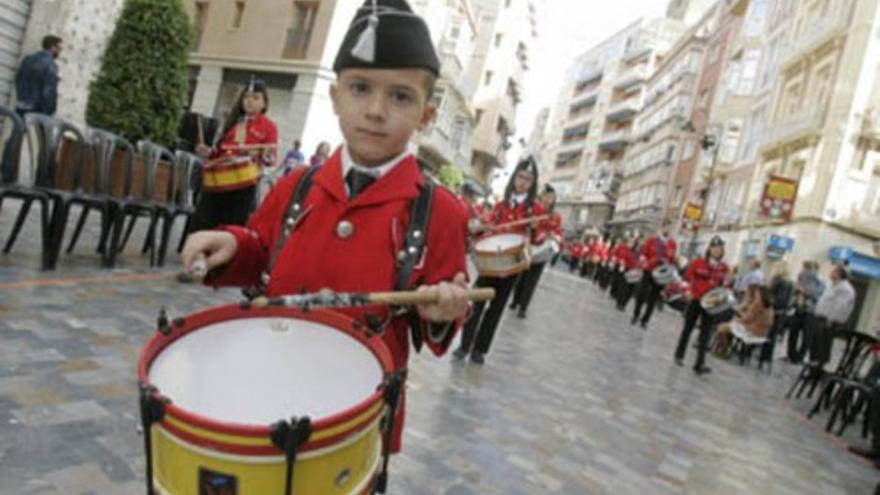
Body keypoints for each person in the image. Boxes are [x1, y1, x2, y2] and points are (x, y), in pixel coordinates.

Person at [180, 0, 470, 455]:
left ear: (426, 116)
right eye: (359, 88)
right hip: (270, 386)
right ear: (335, 97)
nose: (375, 110)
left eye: (400, 96)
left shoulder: (443, 212)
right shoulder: (297, 185)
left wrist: (442, 313)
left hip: (357, 417)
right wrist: (233, 244)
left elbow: (439, 311)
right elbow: (261, 251)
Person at [454, 157, 545, 364]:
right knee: (476, 303)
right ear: (514, 178)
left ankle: (480, 350)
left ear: (532, 184)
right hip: (490, 264)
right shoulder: (501, 206)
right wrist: (481, 228)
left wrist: (538, 234)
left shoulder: (534, 210)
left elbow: (538, 238)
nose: (522, 182)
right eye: (520, 176)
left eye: (528, 179)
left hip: (512, 265)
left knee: (496, 308)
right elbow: (485, 228)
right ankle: (464, 345)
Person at [191, 78, 279, 232]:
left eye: (255, 97)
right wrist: (208, 152)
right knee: (204, 221)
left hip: (244, 185)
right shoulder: (234, 122)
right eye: (246, 96)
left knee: (230, 227)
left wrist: (261, 153)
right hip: (219, 181)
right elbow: (220, 151)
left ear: (264, 103)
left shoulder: (269, 127)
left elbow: (271, 159)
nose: (249, 101)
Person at [674, 236, 729, 374]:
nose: (717, 251)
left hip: (711, 304)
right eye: (714, 248)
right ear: (709, 249)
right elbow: (686, 279)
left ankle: (699, 363)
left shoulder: (723, 268)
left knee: (705, 334)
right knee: (688, 329)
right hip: (696, 300)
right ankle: (679, 355)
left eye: (720, 248)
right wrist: (687, 291)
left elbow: (724, 286)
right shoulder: (698, 263)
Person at [509, 183, 562, 319]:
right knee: (522, 277)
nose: (548, 200)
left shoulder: (556, 216)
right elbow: (526, 225)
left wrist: (554, 236)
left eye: (551, 197)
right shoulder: (534, 209)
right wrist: (532, 227)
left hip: (543, 250)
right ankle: (515, 301)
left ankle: (523, 308)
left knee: (533, 280)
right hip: (529, 247)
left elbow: (558, 232)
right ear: (542, 196)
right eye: (546, 196)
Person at [631, 219, 677, 329]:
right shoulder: (652, 240)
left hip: (661, 274)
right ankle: (636, 314)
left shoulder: (672, 244)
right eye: (667, 227)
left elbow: (671, 259)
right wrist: (644, 263)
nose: (668, 230)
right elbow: (643, 255)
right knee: (642, 294)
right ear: (662, 227)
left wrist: (669, 264)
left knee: (653, 298)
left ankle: (645, 320)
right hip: (649, 270)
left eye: (670, 228)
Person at [808, 264, 856, 365]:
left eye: (833, 271)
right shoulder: (832, 285)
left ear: (839, 273)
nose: (831, 272)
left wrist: (830, 319)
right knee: (814, 346)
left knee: (822, 347)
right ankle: (812, 365)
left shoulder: (845, 288)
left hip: (829, 321)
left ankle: (818, 370)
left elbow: (840, 307)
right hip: (820, 318)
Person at [712, 285, 775, 359]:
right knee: (729, 326)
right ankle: (724, 348)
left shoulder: (758, 303)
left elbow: (746, 319)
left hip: (751, 332)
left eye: (757, 293)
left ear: (761, 294)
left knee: (721, 328)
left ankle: (725, 349)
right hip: (762, 333)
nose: (755, 294)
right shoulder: (770, 306)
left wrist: (738, 317)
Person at [786, 260, 826, 363]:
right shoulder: (801, 277)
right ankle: (791, 355)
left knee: (806, 336)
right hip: (799, 308)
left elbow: (817, 295)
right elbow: (795, 291)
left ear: (815, 269)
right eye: (805, 268)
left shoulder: (820, 281)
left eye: (808, 268)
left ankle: (800, 357)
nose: (805, 271)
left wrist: (804, 291)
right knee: (792, 333)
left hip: (810, 311)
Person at [14, 35, 62, 117]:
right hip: (37, 111)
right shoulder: (50, 65)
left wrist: (21, 100)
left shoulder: (27, 59)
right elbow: (48, 92)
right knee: (36, 130)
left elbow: (18, 79)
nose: (60, 51)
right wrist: (50, 112)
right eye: (59, 48)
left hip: (21, 106)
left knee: (18, 129)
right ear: (53, 47)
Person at [613, 235, 639, 311]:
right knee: (623, 287)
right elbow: (619, 257)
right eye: (630, 242)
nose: (631, 244)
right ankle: (619, 303)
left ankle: (624, 304)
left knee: (630, 290)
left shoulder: (636, 251)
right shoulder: (624, 249)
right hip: (626, 269)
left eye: (632, 243)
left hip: (634, 271)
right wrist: (620, 262)